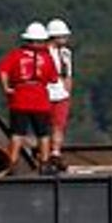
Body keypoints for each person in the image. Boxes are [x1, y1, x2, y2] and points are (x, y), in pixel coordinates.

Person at [0, 21, 58, 171]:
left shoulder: (15, 55)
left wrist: (6, 88)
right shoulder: (47, 57)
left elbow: (2, 71)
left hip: (20, 97)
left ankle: (11, 162)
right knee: (43, 134)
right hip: (40, 98)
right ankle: (44, 163)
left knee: (17, 133)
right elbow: (53, 78)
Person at [43, 17, 75, 167]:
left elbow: (68, 75)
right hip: (45, 93)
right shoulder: (42, 52)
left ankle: (56, 153)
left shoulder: (66, 53)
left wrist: (67, 92)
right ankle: (44, 154)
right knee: (45, 125)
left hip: (61, 94)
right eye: (63, 36)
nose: (66, 38)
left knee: (59, 125)